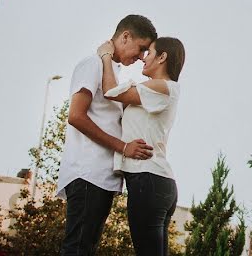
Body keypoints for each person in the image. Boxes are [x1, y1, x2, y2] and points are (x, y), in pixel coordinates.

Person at [57, 14, 157, 256]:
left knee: (85, 248)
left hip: (101, 178)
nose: (142, 56)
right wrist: (123, 147)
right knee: (78, 249)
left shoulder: (111, 73)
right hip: (87, 173)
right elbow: (76, 116)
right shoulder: (92, 64)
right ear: (125, 36)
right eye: (141, 48)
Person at [99, 36, 186, 256]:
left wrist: (106, 56)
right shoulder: (157, 90)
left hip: (148, 180)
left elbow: (110, 91)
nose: (143, 59)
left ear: (162, 57)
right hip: (156, 182)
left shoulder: (162, 87)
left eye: (149, 53)